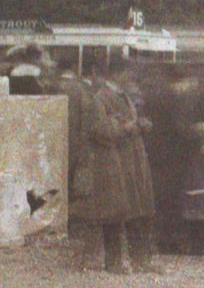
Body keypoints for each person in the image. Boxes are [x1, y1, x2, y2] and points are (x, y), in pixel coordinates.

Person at [63, 66, 156, 273]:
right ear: (116, 73)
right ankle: (114, 263)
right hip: (111, 164)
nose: (131, 77)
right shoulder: (101, 98)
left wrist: (139, 125)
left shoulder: (123, 97)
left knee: (132, 213)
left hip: (127, 162)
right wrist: (126, 128)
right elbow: (97, 130)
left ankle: (136, 261)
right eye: (127, 73)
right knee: (112, 215)